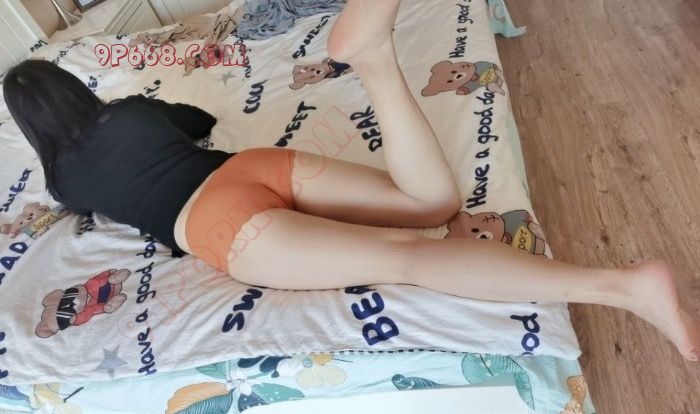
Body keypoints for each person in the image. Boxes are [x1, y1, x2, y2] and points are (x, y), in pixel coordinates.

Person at [3, 0, 698, 361]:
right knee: (433, 203)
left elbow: (87, 203)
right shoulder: (130, 109)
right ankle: (373, 59)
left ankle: (621, 287)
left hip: (216, 225)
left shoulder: (64, 181)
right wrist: (151, 121)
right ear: (73, 88)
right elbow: (197, 120)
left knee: (409, 258)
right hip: (248, 169)